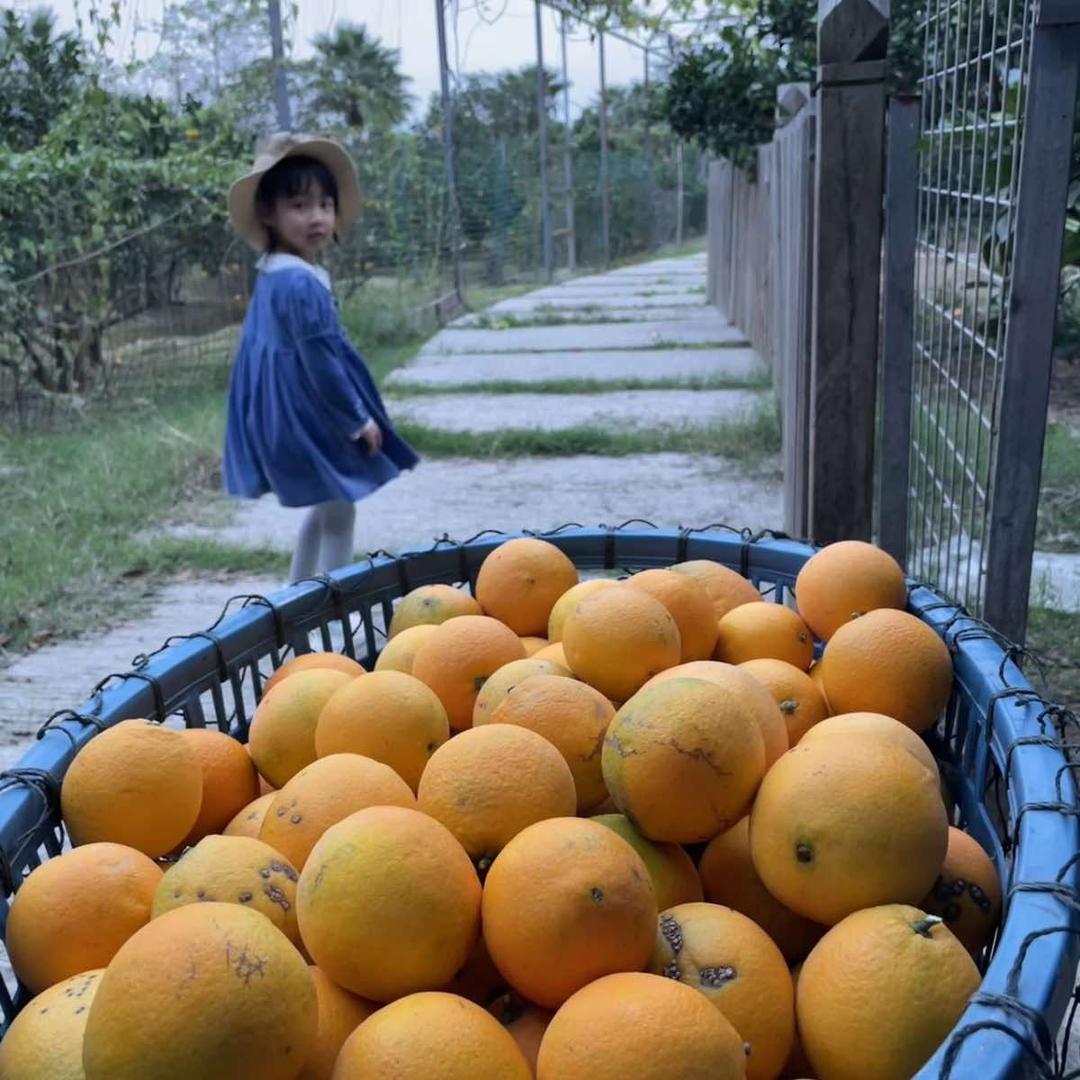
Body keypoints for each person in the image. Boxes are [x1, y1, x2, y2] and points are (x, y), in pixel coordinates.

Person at [223, 133, 418, 583]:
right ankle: (332, 601)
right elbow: (322, 364)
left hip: (286, 414)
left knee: (328, 502)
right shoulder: (299, 284)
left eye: (325, 205)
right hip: (310, 417)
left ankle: (296, 595)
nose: (317, 217)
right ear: (268, 213)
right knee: (340, 509)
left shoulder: (274, 273)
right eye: (299, 206)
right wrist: (356, 419)